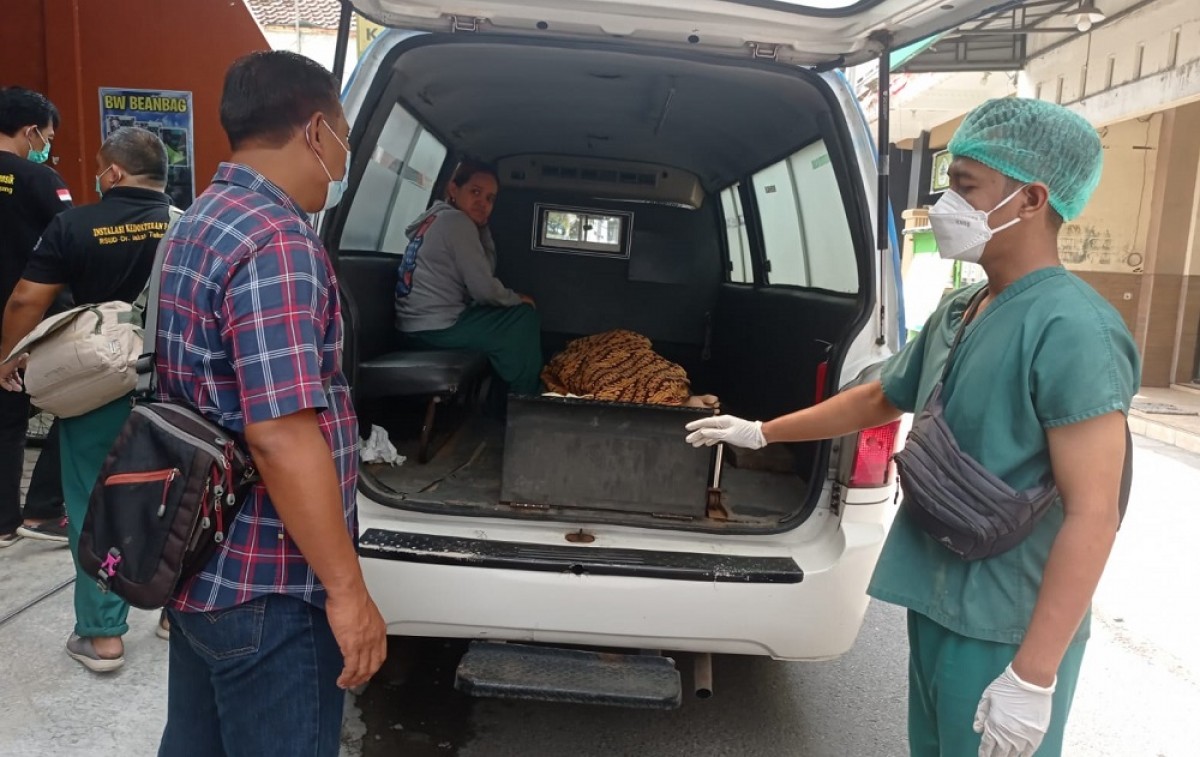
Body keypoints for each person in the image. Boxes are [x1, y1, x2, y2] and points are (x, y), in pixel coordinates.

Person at [685, 98, 1140, 757]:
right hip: (938, 602)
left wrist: (1034, 676)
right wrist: (763, 431)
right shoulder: (963, 306)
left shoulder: (1076, 330)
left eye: (965, 187)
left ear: (1033, 198)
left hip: (1005, 625)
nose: (945, 206)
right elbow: (879, 396)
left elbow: (1094, 514)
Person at [153, 51, 385, 756]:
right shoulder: (279, 242)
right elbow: (280, 436)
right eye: (343, 138)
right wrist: (348, 593)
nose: (342, 162)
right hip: (269, 583)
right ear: (316, 132)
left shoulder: (200, 219)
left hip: (201, 562)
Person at [0, 126, 174, 670]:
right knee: (180, 496)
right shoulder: (189, 226)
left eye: (100, 167)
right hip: (176, 389)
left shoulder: (73, 224)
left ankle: (102, 635)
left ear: (114, 173)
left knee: (94, 501)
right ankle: (177, 612)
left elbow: (28, 297)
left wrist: (8, 357)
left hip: (101, 385)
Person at [394, 160, 543, 395]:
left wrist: (481, 228)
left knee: (509, 319)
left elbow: (484, 270)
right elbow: (484, 289)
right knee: (523, 319)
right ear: (454, 190)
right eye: (475, 192)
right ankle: (526, 402)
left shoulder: (436, 219)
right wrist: (517, 299)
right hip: (436, 328)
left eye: (490, 199)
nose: (482, 203)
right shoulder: (457, 222)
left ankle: (503, 402)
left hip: (415, 326)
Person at [0, 86, 69, 547]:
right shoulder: (39, 179)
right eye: (44, 135)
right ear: (29, 131)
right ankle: (10, 519)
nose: (45, 145)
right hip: (19, 318)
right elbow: (71, 239)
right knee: (11, 420)